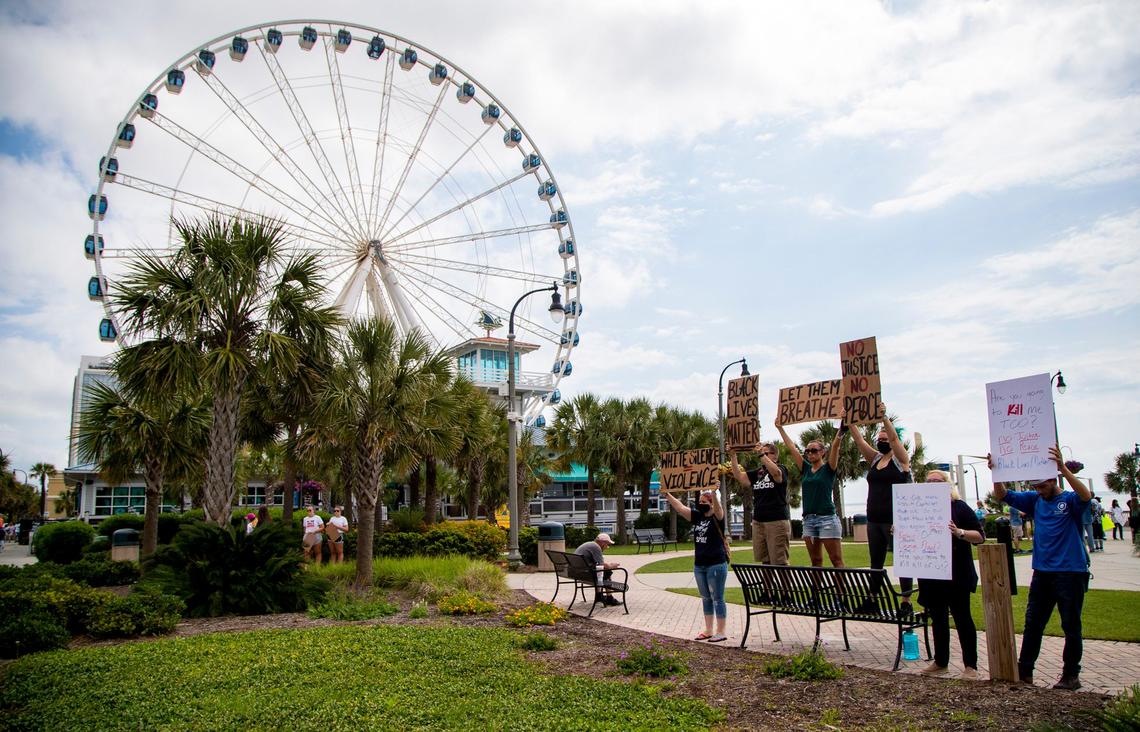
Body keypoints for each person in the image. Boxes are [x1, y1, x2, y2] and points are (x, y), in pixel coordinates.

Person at [991, 445, 1091, 690]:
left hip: (1071, 572)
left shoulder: (1068, 500)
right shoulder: (1036, 500)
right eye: (1035, 487)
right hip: (1043, 572)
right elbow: (1003, 495)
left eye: (1043, 486)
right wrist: (997, 472)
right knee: (1033, 623)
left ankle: (1071, 674)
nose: (1039, 490)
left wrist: (1064, 469)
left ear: (1052, 480)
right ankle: (1025, 670)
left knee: (1071, 624)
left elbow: (1085, 496)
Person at [916, 470, 984, 679]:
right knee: (937, 618)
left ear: (947, 485)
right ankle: (940, 661)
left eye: (937, 481)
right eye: (928, 481)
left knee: (963, 617)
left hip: (957, 572)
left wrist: (960, 533)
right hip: (931, 573)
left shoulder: (959, 507)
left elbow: (980, 536)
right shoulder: (920, 508)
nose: (932, 484)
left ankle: (970, 665)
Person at [849, 412, 913, 615]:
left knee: (902, 561)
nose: (882, 441)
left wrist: (885, 418)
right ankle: (872, 599)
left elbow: (894, 439)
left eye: (885, 439)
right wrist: (849, 420)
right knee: (875, 562)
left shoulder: (900, 460)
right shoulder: (876, 459)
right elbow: (859, 440)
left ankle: (905, 601)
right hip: (874, 519)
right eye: (880, 439)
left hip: (895, 520)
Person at [662, 489, 729, 642]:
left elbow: (719, 509)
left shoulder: (717, 517)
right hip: (700, 565)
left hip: (716, 564)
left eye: (704, 502)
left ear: (712, 504)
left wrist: (714, 491)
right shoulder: (698, 516)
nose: (701, 504)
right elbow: (680, 508)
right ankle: (708, 629)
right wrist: (667, 494)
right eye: (700, 502)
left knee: (718, 597)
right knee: (706, 598)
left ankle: (721, 631)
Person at [777, 421, 845, 568]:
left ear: (822, 452)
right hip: (809, 520)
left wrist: (841, 430)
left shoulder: (828, 468)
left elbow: (835, 447)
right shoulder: (806, 469)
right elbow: (792, 448)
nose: (810, 453)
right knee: (815, 560)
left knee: (835, 559)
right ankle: (817, 590)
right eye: (807, 451)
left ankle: (840, 589)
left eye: (813, 450)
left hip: (826, 518)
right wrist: (780, 428)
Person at [727, 442, 790, 565]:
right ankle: (767, 585)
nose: (762, 455)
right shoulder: (758, 473)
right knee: (764, 560)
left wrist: (761, 454)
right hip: (759, 521)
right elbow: (740, 477)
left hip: (776, 520)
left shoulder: (781, 468)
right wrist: (733, 456)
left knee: (780, 561)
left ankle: (784, 584)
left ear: (775, 456)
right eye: (762, 453)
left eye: (766, 453)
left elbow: (777, 475)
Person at [574, 533, 621, 606]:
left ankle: (599, 596)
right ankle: (609, 597)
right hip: (584, 575)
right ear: (603, 543)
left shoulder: (590, 544)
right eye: (607, 544)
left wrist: (608, 565)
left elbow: (598, 564)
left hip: (577, 573)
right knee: (607, 571)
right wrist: (612, 565)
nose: (607, 547)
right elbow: (602, 565)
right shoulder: (596, 547)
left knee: (601, 571)